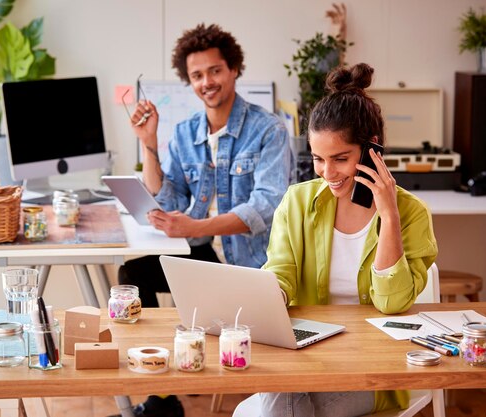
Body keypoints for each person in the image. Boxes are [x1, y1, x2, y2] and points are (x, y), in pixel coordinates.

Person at [115, 23, 292, 417]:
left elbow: (267, 207)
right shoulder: (183, 133)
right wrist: (149, 145)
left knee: (167, 280)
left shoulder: (269, 130)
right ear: (189, 81)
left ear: (233, 70)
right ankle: (161, 398)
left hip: (251, 267)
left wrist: (195, 228)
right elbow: (168, 198)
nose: (206, 82)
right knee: (134, 275)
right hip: (203, 259)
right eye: (197, 75)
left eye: (214, 71)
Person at [260, 63, 438, 417]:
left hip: (374, 371)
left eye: (340, 159)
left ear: (373, 151)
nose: (328, 173)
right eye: (318, 159)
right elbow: (280, 271)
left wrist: (388, 215)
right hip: (307, 361)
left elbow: (392, 303)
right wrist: (270, 300)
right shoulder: (297, 202)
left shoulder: (412, 213)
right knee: (280, 393)